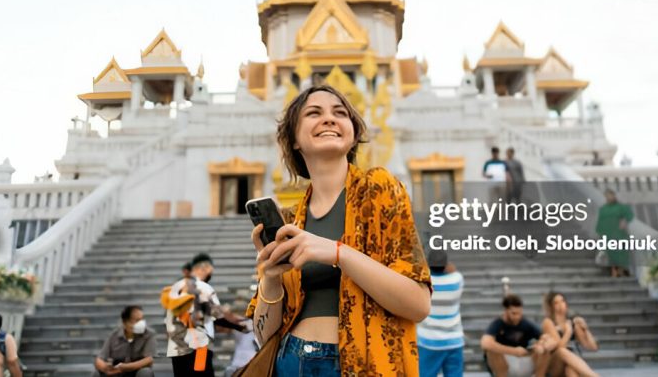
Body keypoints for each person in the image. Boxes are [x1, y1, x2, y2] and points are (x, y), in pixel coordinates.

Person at [247, 84, 432, 376]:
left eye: (340, 113)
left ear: (353, 133)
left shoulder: (380, 191)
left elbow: (418, 305)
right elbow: (263, 336)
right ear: (294, 139)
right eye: (314, 113)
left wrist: (337, 252)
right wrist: (270, 278)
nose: (330, 119)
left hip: (366, 366)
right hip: (292, 361)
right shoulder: (291, 222)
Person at [165, 254, 246, 377]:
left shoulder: (176, 287)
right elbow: (218, 317)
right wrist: (241, 327)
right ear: (204, 268)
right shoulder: (203, 287)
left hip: (177, 348)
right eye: (210, 271)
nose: (210, 275)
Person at [481, 294, 556, 377]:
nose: (517, 317)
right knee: (491, 350)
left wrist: (542, 345)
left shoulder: (526, 323)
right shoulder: (497, 324)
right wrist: (513, 351)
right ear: (506, 311)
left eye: (519, 313)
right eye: (514, 313)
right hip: (505, 364)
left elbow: (548, 339)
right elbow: (485, 343)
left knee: (544, 351)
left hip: (524, 360)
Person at [418, 250, 464, 377]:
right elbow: (453, 270)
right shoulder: (456, 280)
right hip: (454, 340)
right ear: (445, 264)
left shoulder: (424, 282)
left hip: (428, 340)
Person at [541, 292, 598, 377]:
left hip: (573, 362)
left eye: (562, 301)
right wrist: (568, 332)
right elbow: (559, 348)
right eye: (556, 303)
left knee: (570, 370)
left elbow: (592, 347)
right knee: (561, 351)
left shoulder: (573, 321)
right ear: (551, 307)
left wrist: (586, 330)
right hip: (556, 364)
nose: (560, 305)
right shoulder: (548, 322)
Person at [93, 305, 155, 377]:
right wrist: (105, 367)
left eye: (142, 319)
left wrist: (126, 367)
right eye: (137, 320)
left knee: (146, 372)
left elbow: (149, 360)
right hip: (116, 371)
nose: (141, 323)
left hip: (136, 371)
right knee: (96, 373)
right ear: (125, 322)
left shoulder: (148, 334)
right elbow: (99, 359)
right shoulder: (114, 336)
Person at [595, 189, 634, 277]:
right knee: (611, 255)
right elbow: (600, 223)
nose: (609, 198)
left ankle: (623, 271)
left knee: (621, 254)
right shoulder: (603, 209)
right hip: (608, 236)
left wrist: (624, 220)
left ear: (614, 195)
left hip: (620, 235)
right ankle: (614, 273)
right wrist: (600, 234)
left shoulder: (621, 207)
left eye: (610, 195)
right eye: (607, 196)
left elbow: (629, 216)